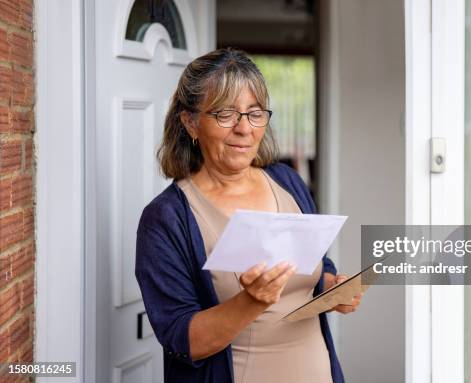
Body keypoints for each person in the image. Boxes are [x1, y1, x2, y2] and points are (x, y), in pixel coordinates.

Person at [135, 47, 361, 383]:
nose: (245, 129)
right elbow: (182, 339)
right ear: (191, 122)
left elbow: (316, 268)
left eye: (255, 113)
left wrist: (333, 289)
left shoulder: (287, 181)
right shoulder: (165, 218)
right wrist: (251, 301)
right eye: (226, 114)